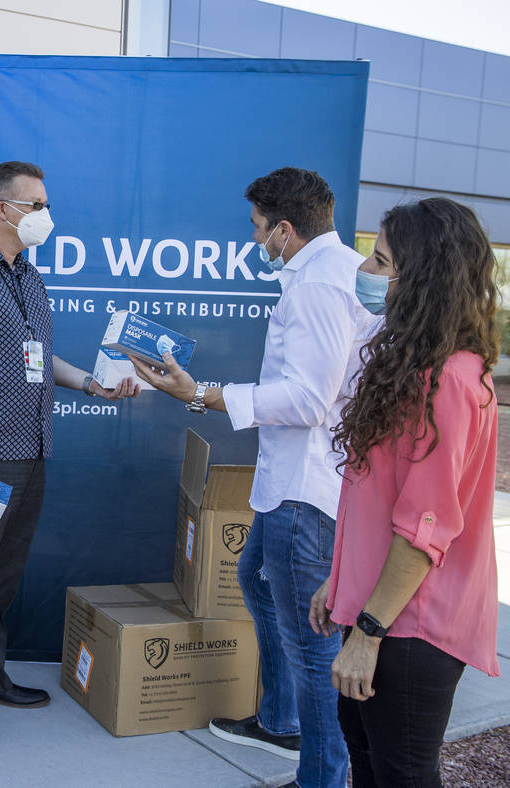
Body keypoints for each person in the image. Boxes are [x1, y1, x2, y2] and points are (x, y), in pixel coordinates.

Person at [130, 167, 375, 788]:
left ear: (285, 230)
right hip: (288, 486)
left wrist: (201, 394)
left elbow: (309, 401)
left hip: (304, 491)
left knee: (313, 644)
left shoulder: (319, 285)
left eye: (258, 229)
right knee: (255, 578)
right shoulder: (333, 271)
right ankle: (279, 719)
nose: (255, 240)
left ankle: (321, 772)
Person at [0, 160, 140, 748]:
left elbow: (40, 361)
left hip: (30, 452)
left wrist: (91, 383)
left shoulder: (29, 278)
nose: (47, 215)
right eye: (37, 205)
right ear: (4, 209)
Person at [309, 197, 501, 787]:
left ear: (420, 279)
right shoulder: (420, 365)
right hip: (381, 609)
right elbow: (381, 501)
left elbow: (424, 528)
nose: (365, 273)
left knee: (401, 773)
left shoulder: (445, 380)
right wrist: (338, 582)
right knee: (367, 760)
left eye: (380, 261)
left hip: (407, 625)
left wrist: (366, 633)